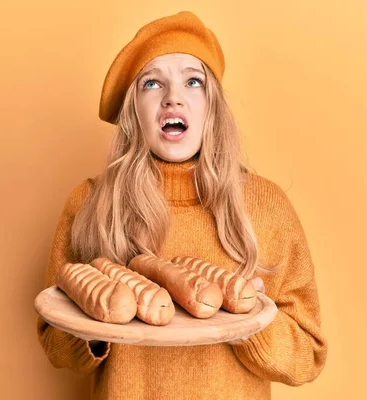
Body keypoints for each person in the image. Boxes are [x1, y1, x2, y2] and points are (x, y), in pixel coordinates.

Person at [36, 10, 327, 400]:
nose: (173, 97)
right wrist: (96, 328)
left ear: (212, 106)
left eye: (193, 81)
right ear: (132, 110)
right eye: (152, 83)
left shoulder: (265, 205)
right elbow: (55, 343)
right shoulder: (90, 204)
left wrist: (248, 323)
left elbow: (309, 354)